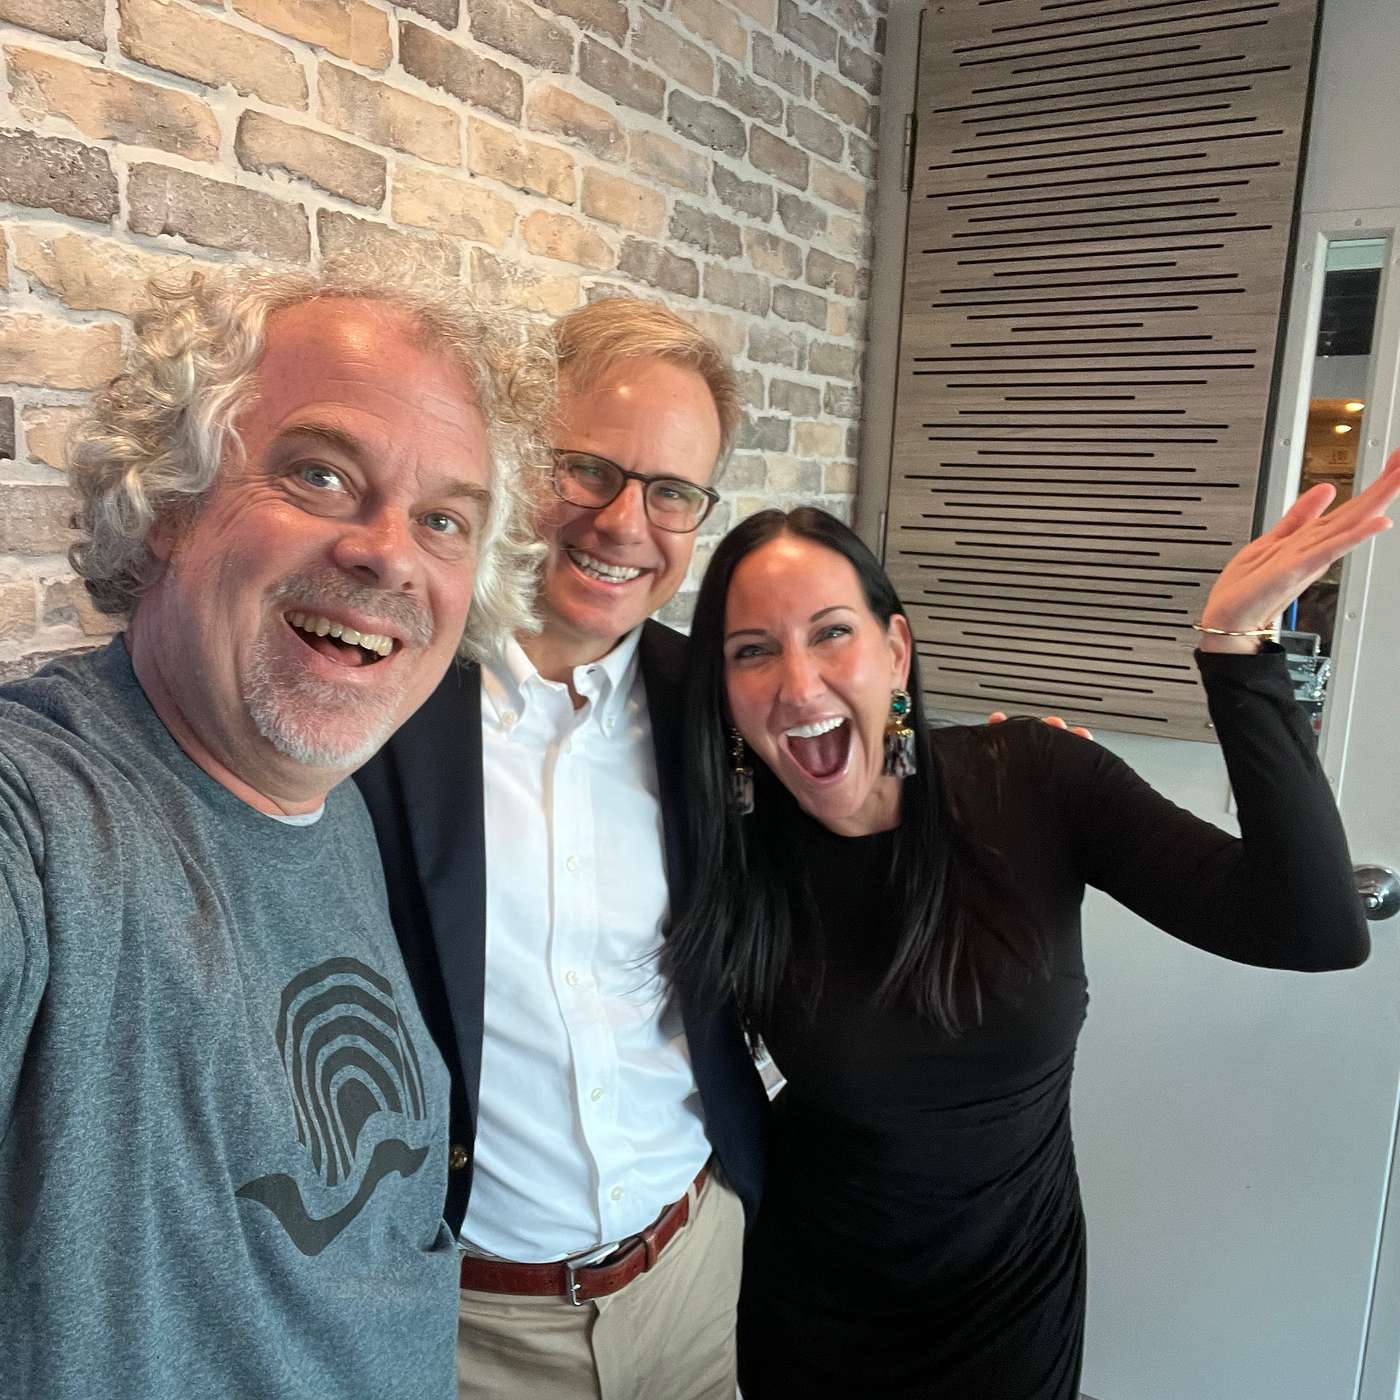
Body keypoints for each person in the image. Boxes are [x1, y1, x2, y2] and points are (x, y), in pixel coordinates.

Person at [667, 455, 1400, 1400]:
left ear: (896, 649)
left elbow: (1312, 927)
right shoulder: (723, 846)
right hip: (812, 1319)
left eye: (832, 633)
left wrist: (1236, 652)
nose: (799, 684)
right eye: (752, 650)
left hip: (1014, 1313)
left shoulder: (1034, 780)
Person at [0, 260, 551, 1399]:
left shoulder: (332, 803)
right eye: (319, 474)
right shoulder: (44, 814)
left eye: (443, 519)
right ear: (169, 503)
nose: (389, 551)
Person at [354, 297, 768, 1400]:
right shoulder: (381, 692)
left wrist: (966, 773)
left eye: (672, 492)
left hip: (696, 1281)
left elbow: (863, 755)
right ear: (516, 458)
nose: (626, 522)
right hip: (470, 1326)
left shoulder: (710, 703)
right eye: (586, 468)